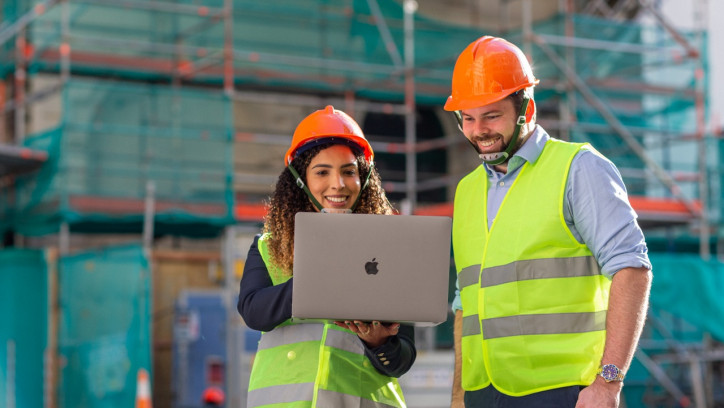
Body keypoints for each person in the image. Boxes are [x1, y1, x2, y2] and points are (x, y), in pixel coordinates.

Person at [445, 36, 652, 408]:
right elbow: (466, 302)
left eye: (492, 115)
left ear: (527, 109)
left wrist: (609, 382)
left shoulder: (578, 168)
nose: (479, 131)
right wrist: (460, 394)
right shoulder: (466, 191)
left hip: (564, 393)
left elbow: (632, 269)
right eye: (468, 119)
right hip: (483, 394)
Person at [237, 105, 416, 408]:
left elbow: (401, 359)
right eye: (322, 172)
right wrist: (315, 281)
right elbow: (253, 312)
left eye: (349, 171)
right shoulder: (269, 246)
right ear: (300, 179)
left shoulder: (388, 250)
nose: (338, 184)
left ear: (364, 178)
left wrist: (379, 343)